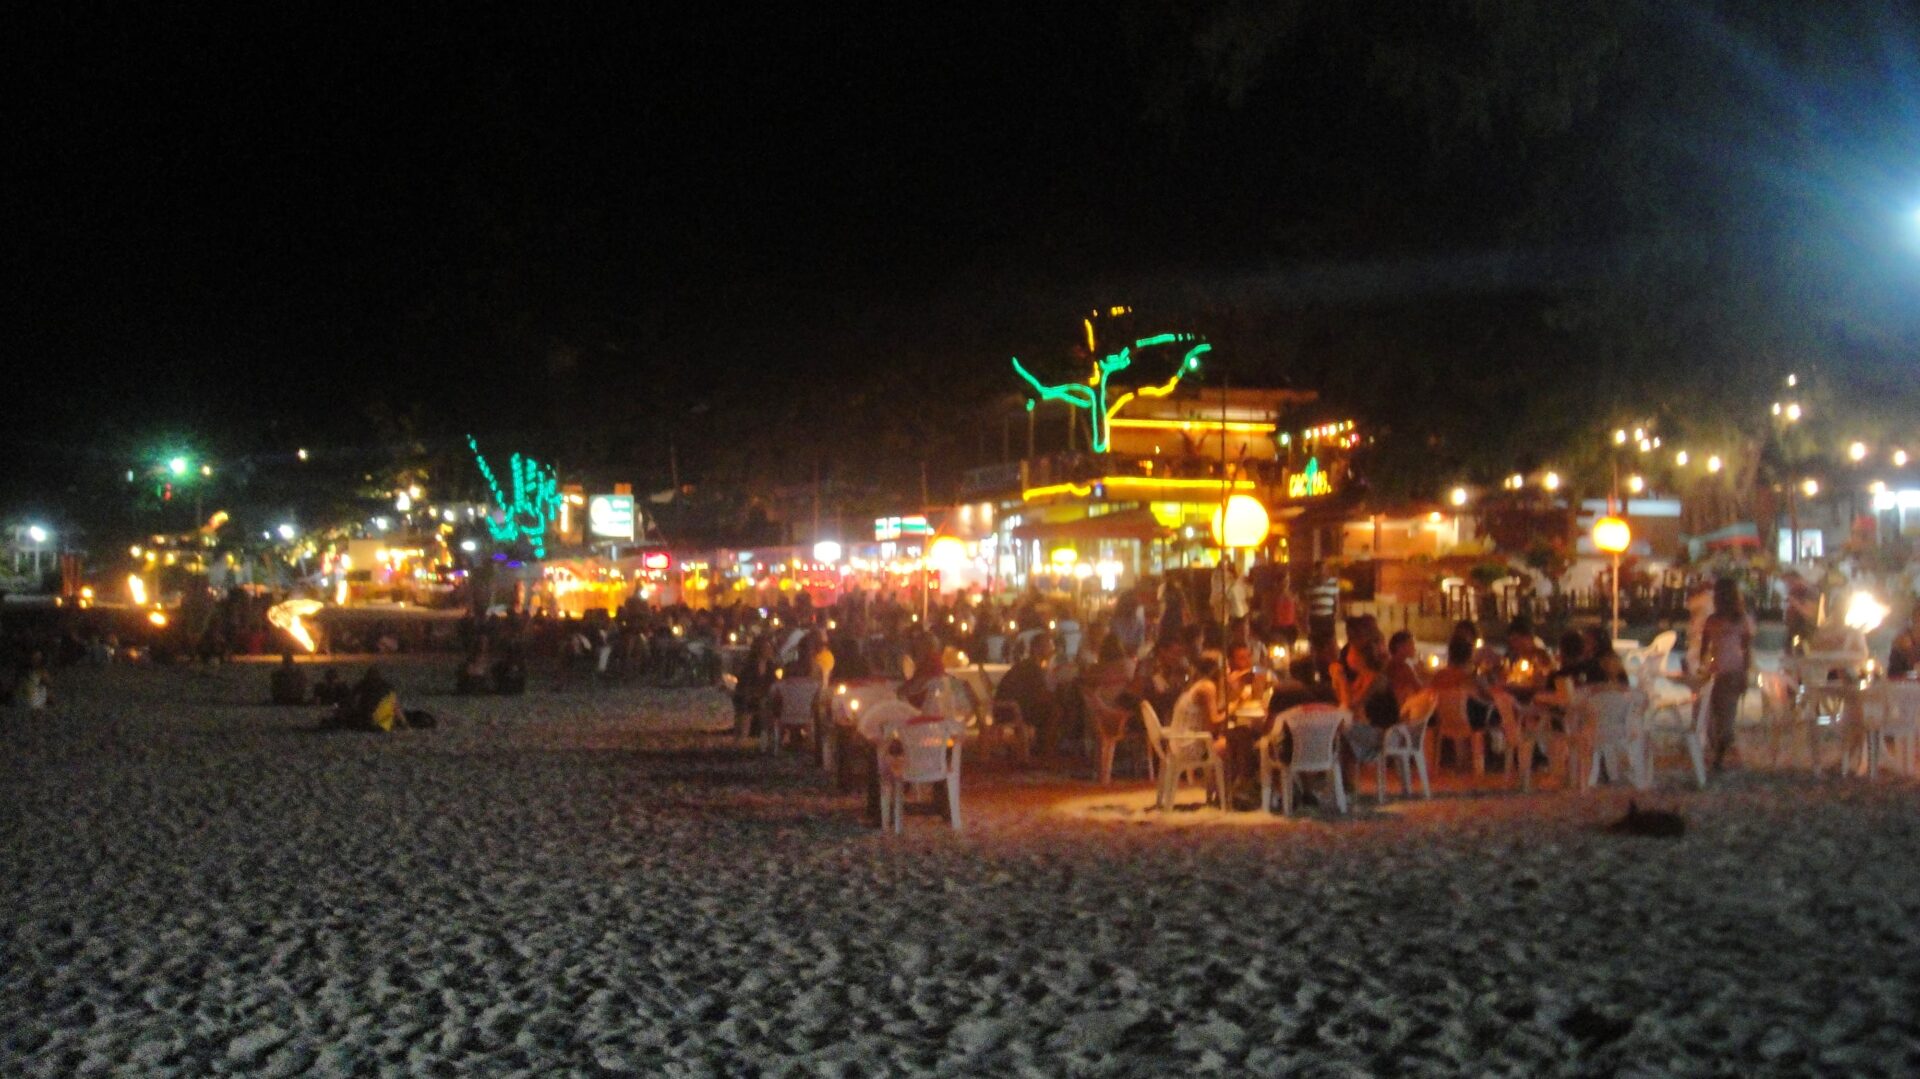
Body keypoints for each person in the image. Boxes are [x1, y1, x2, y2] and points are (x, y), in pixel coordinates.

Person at [1700, 577, 1754, 771]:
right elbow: (1746, 650)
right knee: (1720, 715)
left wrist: (1703, 666)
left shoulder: (1718, 620)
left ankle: (1720, 755)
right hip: (1729, 671)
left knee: (1721, 715)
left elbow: (1704, 649)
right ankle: (1720, 752)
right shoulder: (1738, 619)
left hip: (1726, 672)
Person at [995, 634, 1061, 756]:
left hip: (1011, 707)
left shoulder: (1028, 665)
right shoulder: (1031, 668)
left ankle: (1043, 745)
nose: (1052, 649)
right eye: (1048, 646)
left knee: (1051, 706)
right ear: (1037, 649)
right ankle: (1046, 749)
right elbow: (1040, 695)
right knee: (1056, 710)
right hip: (1010, 710)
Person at [733, 636, 778, 739]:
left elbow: (773, 684)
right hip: (748, 699)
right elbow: (744, 686)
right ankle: (742, 740)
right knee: (747, 713)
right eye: (767, 647)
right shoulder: (749, 666)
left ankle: (768, 740)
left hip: (764, 699)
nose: (770, 650)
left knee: (769, 712)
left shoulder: (771, 666)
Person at [1307, 565, 1340, 640]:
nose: (1321, 572)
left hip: (1328, 616)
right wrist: (1307, 618)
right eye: (1319, 570)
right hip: (1315, 617)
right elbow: (1308, 602)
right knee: (1315, 639)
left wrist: (1336, 613)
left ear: (1326, 570)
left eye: (1323, 570)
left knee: (1329, 638)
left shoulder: (1333, 582)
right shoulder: (1311, 583)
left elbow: (1336, 600)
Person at [1889, 605, 1920, 679]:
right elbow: (1894, 673)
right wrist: (1915, 674)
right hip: (1906, 685)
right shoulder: (1901, 641)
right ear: (1914, 619)